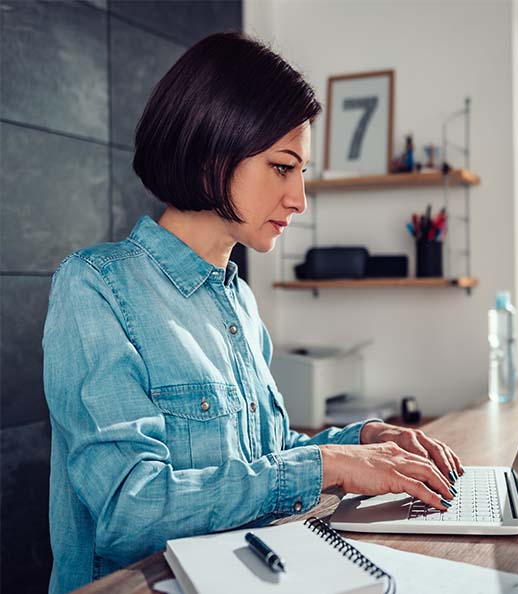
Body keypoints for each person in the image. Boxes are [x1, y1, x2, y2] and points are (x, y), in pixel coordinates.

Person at [42, 31, 463, 594]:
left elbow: (262, 459)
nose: (299, 199)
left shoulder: (237, 297)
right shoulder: (95, 288)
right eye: (283, 167)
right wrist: (327, 466)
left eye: (303, 172)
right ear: (214, 152)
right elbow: (129, 509)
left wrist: (362, 442)